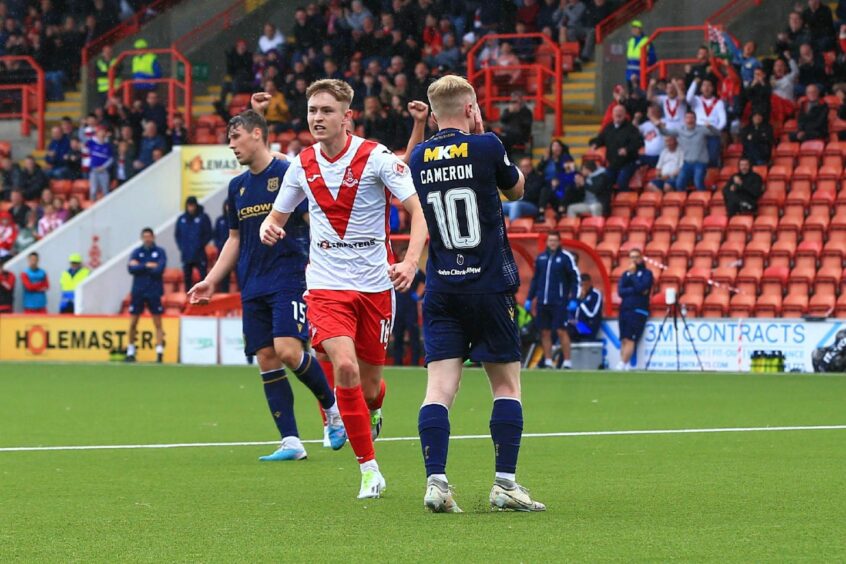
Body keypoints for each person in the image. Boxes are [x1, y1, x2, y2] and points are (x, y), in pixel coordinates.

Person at [259, 79, 429, 499]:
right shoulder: (301, 163)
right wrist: (269, 227)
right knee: (345, 368)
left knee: (370, 387)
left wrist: (410, 262)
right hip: (326, 285)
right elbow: (277, 217)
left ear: (347, 116)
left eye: (326, 111)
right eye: (312, 110)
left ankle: (371, 409)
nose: (317, 118)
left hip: (375, 287)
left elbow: (419, 213)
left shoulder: (376, 158)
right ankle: (369, 470)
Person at [407, 75, 545, 513]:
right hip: (488, 285)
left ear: (431, 116)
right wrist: (482, 131)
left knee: (439, 389)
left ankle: (437, 482)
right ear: (470, 108)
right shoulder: (487, 144)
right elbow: (516, 188)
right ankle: (505, 483)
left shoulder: (418, 157)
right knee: (506, 385)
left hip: (443, 285)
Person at [188, 107, 347, 461]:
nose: (231, 145)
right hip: (252, 281)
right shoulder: (238, 187)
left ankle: (333, 411)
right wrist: (211, 281)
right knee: (266, 357)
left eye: (235, 137)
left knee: (289, 350)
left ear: (257, 134)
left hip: (289, 276)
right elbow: (234, 239)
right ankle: (291, 440)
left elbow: (316, 218)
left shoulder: (289, 173)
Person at [525, 231, 580, 370]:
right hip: (543, 301)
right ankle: (548, 361)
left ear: (560, 242)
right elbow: (535, 280)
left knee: (562, 331)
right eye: (550, 240)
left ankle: (568, 362)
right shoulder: (541, 258)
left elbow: (575, 279)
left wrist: (574, 299)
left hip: (559, 301)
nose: (552, 243)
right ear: (547, 242)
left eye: (555, 240)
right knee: (545, 331)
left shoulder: (566, 258)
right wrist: (530, 298)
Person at [126, 228, 166, 363]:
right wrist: (147, 265)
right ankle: (131, 351)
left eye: (149, 236)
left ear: (153, 237)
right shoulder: (137, 252)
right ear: (142, 238)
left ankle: (159, 351)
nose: (147, 239)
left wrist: (140, 266)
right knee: (133, 322)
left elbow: (159, 270)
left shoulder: (160, 252)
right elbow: (131, 269)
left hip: (154, 291)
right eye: (145, 236)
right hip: (138, 291)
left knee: (157, 322)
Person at [656, 110, 718, 191]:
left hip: (700, 163)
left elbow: (717, 133)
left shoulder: (702, 129)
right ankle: (685, 201)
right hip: (687, 163)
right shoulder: (680, 130)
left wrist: (710, 127)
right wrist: (659, 127)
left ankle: (704, 199)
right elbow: (666, 132)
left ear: (695, 119)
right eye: (687, 118)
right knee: (679, 184)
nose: (690, 120)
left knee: (698, 183)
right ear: (684, 120)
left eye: (692, 118)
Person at [589, 105, 643, 191]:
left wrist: (627, 149)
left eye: (620, 112)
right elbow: (600, 139)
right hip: (613, 163)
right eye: (616, 113)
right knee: (604, 182)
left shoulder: (631, 128)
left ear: (625, 114)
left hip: (628, 162)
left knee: (621, 182)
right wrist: (595, 144)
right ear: (612, 114)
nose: (618, 114)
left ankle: (625, 200)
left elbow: (639, 143)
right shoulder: (608, 128)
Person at [617, 247, 653, 371]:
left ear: (641, 258)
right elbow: (620, 291)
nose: (634, 260)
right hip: (625, 309)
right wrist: (634, 290)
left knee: (631, 338)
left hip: (638, 310)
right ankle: (625, 364)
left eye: (636, 257)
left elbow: (642, 288)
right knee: (624, 338)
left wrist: (633, 276)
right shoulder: (625, 274)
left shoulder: (647, 274)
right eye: (631, 257)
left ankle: (621, 363)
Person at [391, 247, 425, 366]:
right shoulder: (394, 269)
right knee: (398, 335)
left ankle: (415, 362)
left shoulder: (415, 271)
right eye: (402, 254)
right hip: (398, 304)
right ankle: (397, 362)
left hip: (410, 306)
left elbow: (424, 282)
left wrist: (417, 295)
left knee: (413, 335)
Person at [686, 77, 726, 167]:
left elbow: (723, 120)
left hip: (712, 133)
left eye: (709, 86)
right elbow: (688, 98)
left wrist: (716, 130)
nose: (706, 88)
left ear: (713, 88)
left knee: (712, 158)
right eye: (704, 85)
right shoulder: (696, 100)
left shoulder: (719, 102)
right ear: (700, 88)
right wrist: (694, 83)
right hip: (699, 134)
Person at [175, 196, 212, 290]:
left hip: (199, 253)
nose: (191, 208)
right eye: (189, 206)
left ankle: (204, 295)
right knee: (187, 277)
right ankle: (188, 298)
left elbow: (209, 233)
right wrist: (182, 246)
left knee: (203, 277)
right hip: (186, 254)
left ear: (196, 205)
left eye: (192, 206)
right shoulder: (181, 219)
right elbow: (177, 235)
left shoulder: (203, 217)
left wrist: (200, 244)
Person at [502, 157, 550, 221]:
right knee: (499, 205)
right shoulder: (519, 178)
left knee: (516, 205)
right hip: (516, 202)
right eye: (523, 166)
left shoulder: (537, 178)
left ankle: (512, 228)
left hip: (532, 205)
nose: (525, 168)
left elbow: (532, 194)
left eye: (527, 166)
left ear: (531, 167)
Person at [568, 273, 603, 342]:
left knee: (569, 330)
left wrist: (581, 302)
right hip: (576, 325)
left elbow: (592, 314)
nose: (583, 287)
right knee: (560, 328)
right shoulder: (577, 295)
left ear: (590, 283)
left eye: (585, 285)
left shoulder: (596, 294)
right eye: (581, 285)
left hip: (589, 326)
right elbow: (570, 311)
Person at [87, 126, 113, 201]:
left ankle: (108, 206)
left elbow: (111, 159)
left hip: (103, 171)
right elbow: (84, 144)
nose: (101, 134)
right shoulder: (91, 143)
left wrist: (104, 167)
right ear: (97, 134)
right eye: (99, 132)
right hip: (94, 171)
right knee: (93, 190)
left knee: (105, 190)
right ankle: (92, 206)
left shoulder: (108, 146)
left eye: (103, 133)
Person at [213, 201, 231, 293]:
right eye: (226, 206)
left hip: (235, 251)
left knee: (240, 274)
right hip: (222, 251)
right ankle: (225, 294)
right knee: (224, 275)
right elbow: (215, 234)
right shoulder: (219, 220)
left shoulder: (236, 219)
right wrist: (218, 244)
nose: (228, 208)